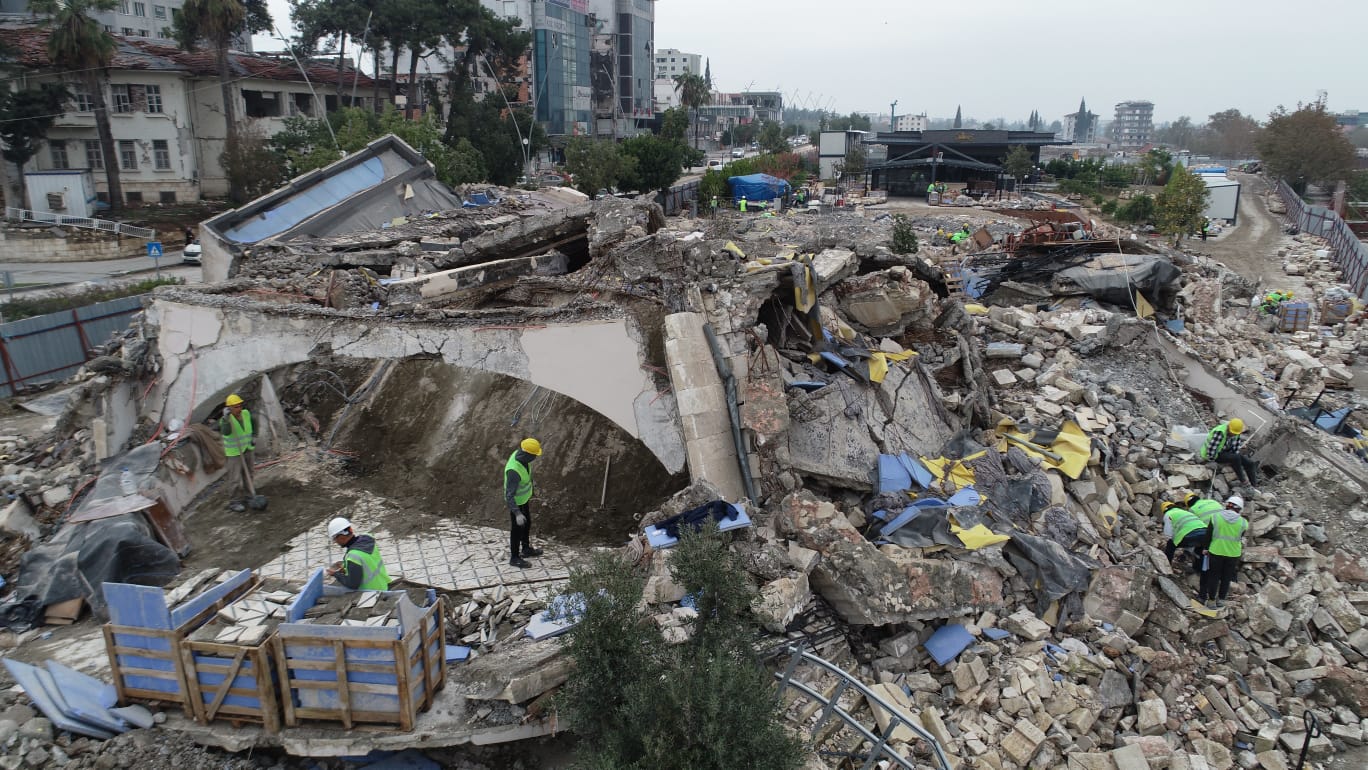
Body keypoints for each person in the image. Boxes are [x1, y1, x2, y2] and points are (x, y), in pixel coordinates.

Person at [1198, 495, 1248, 609]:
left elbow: (1208, 534)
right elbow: (1240, 536)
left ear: (1227, 505)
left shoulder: (1215, 517)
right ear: (1239, 508)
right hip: (1233, 553)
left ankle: (1211, 601)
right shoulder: (1244, 522)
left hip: (1216, 551)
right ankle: (1221, 600)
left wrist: (1206, 548)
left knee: (1214, 576)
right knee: (1226, 577)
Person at [504, 438, 545, 568]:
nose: (535, 458)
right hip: (516, 503)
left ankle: (526, 549)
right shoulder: (513, 471)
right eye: (534, 455)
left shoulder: (523, 458)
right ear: (527, 454)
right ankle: (514, 558)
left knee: (527, 524)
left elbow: (526, 475)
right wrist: (517, 513)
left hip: (524, 499)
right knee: (516, 530)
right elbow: (509, 495)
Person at [325, 517, 391, 591]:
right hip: (383, 583)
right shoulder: (367, 539)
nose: (335, 542)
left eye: (335, 538)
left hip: (373, 591)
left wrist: (336, 574)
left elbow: (353, 584)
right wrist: (346, 568)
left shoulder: (353, 556)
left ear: (341, 536)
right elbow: (368, 563)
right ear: (351, 530)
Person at [218, 394, 258, 512]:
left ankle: (249, 495)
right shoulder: (225, 420)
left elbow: (254, 422)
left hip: (247, 449)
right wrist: (225, 419)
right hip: (234, 453)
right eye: (235, 407)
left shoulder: (246, 413)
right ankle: (234, 501)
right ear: (229, 408)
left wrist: (254, 436)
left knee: (249, 474)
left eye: (240, 406)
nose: (239, 409)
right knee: (234, 478)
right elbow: (225, 432)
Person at [1200, 417, 1259, 488]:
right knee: (1236, 458)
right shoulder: (1220, 432)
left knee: (1250, 463)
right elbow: (1211, 450)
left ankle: (1254, 485)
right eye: (1232, 433)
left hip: (1225, 451)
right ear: (1228, 427)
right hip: (1213, 454)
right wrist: (1212, 461)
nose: (1233, 435)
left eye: (1235, 433)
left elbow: (1236, 449)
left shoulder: (1236, 432)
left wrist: (1237, 458)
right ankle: (1243, 481)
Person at [1162, 500, 1209, 568]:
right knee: (1200, 550)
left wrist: (1171, 541)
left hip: (1190, 534)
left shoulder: (1168, 514)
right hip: (1205, 532)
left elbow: (1168, 534)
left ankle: (1167, 566)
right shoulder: (1185, 512)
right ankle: (1198, 570)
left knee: (1170, 545)